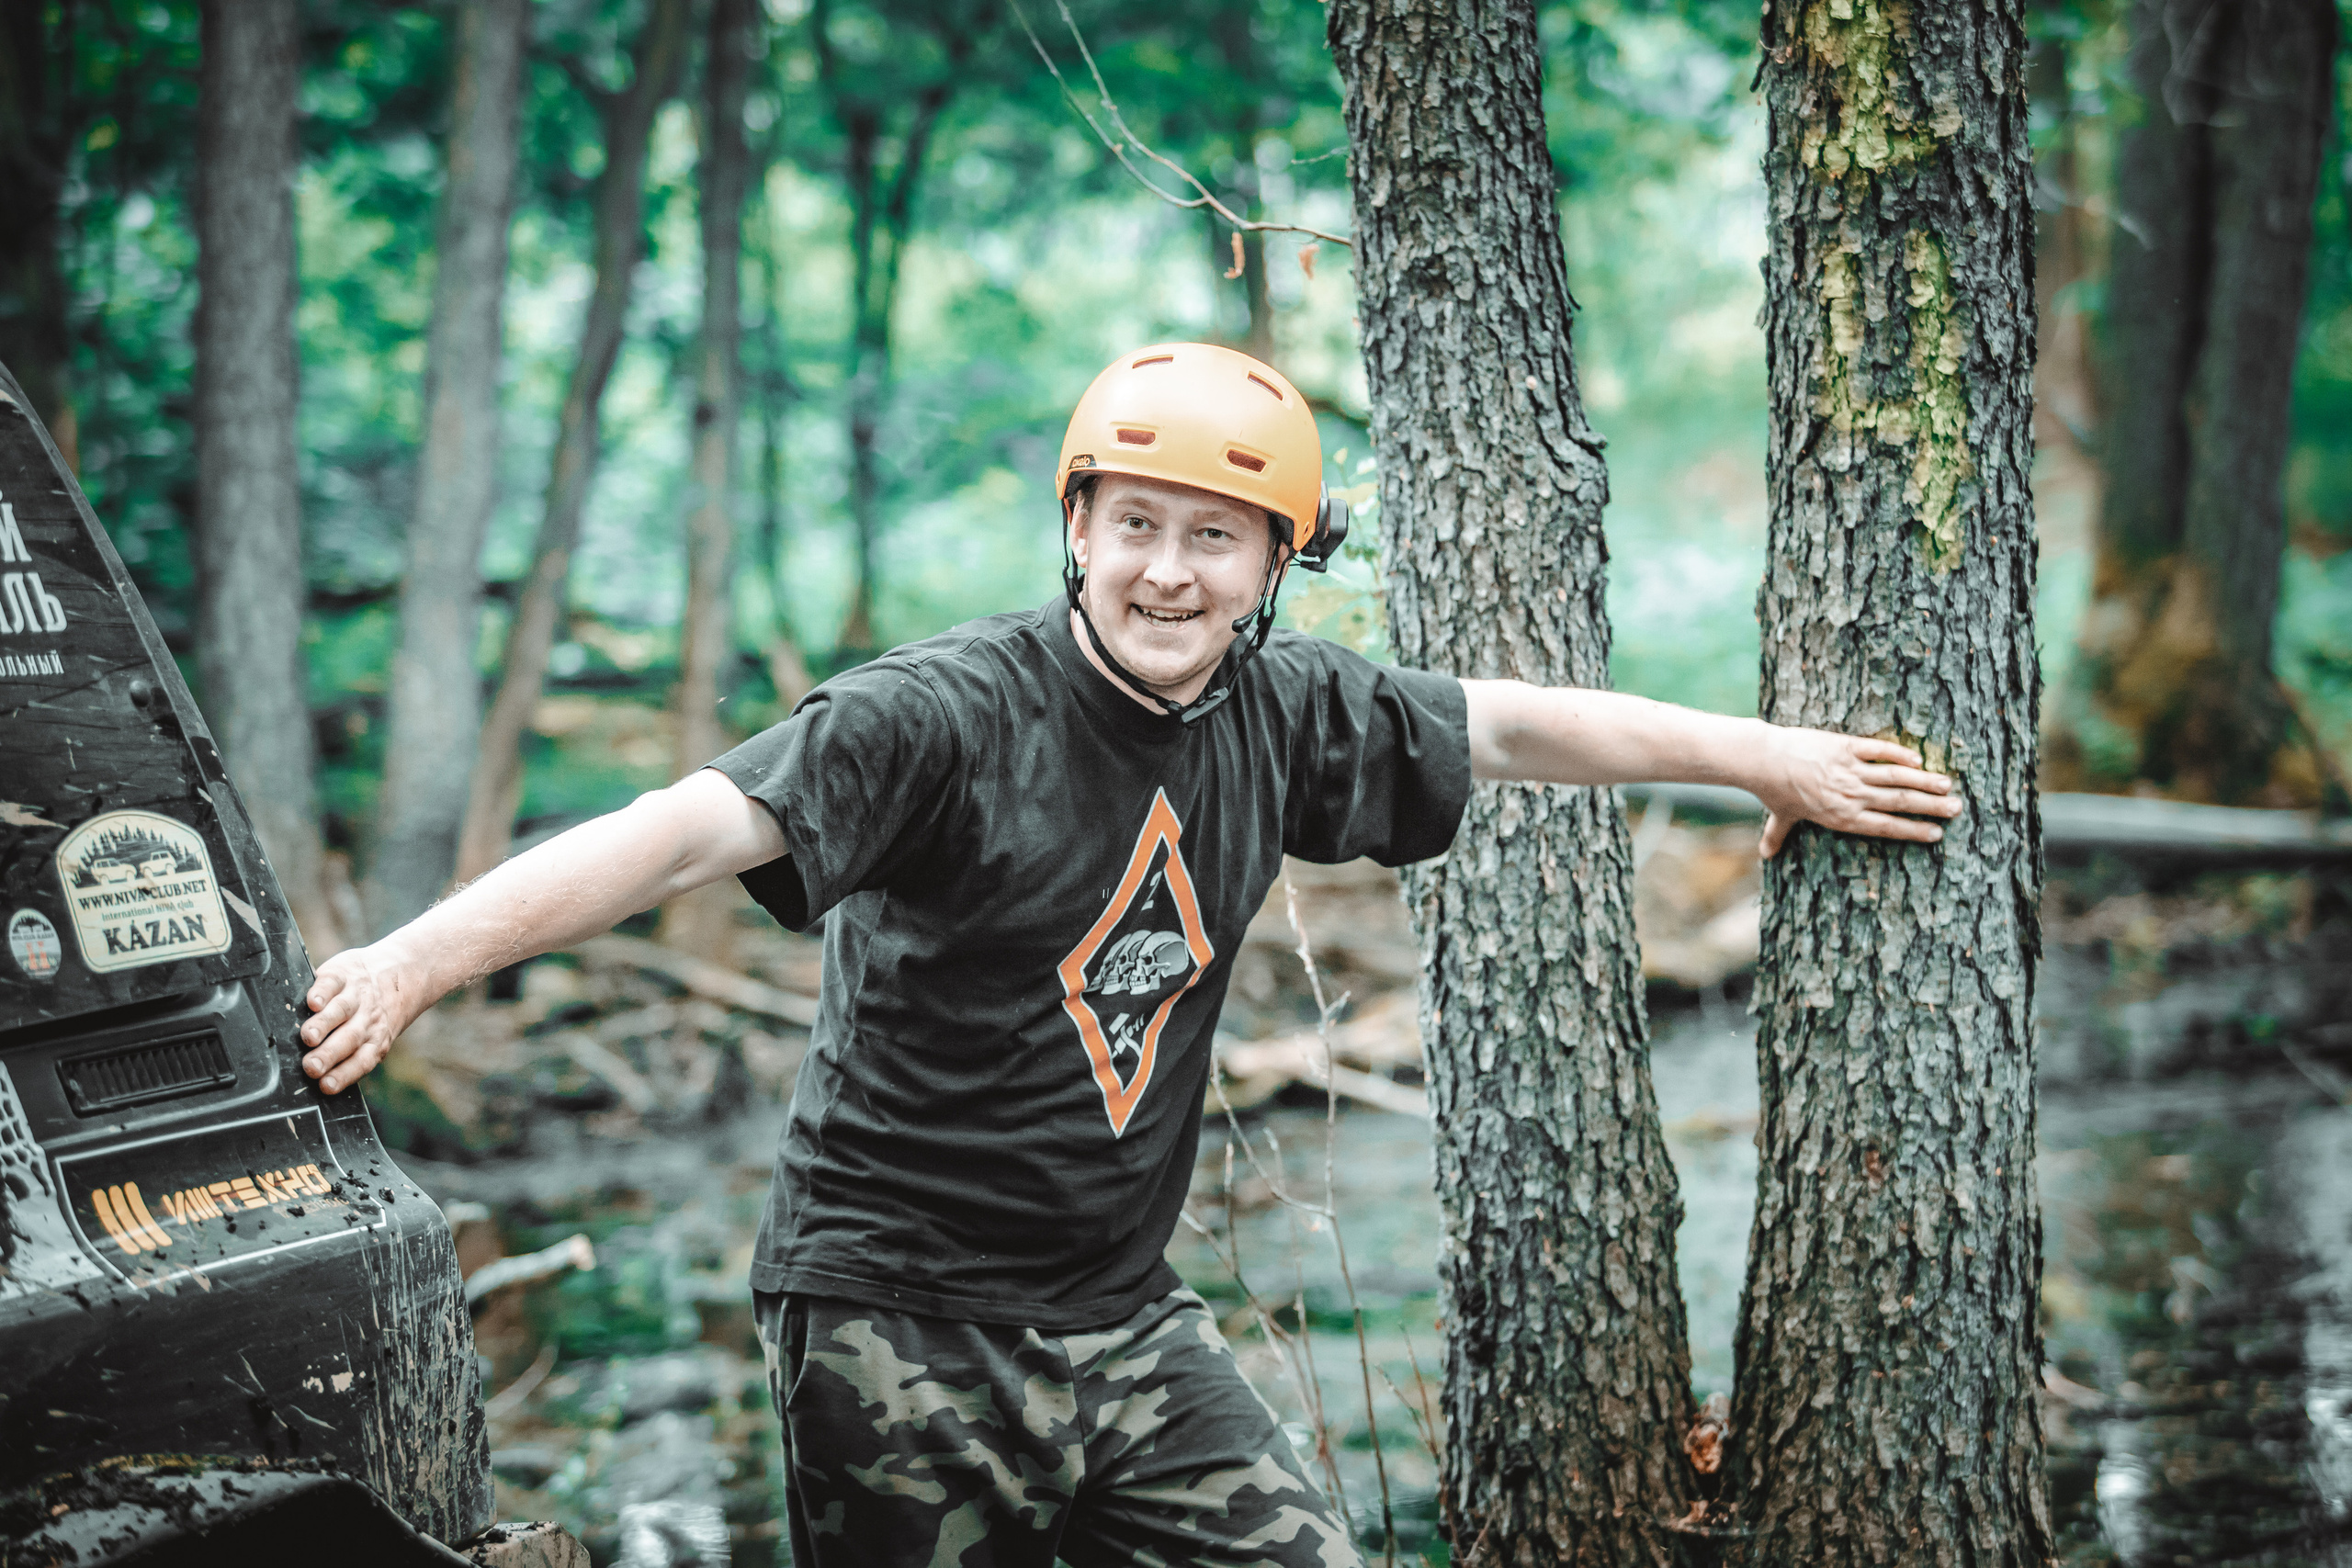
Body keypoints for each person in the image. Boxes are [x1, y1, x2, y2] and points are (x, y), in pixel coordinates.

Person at [300, 343, 1963, 1566]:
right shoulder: (937, 718)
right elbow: (673, 830)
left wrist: (1771, 759)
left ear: (1274, 564)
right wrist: (414, 967)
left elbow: (1517, 723)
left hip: (1122, 1324)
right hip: (896, 1322)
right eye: (1138, 522)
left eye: (1216, 537)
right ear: (1079, 522)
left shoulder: (1287, 703)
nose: (1169, 569)